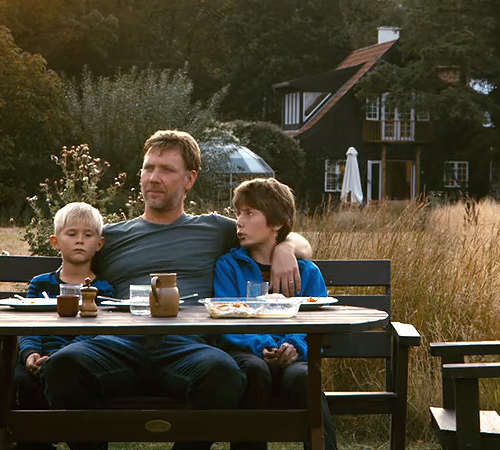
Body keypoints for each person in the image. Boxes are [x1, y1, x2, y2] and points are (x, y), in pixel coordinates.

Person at [39, 130, 313, 450]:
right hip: (118, 343)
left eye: (166, 170)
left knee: (223, 372)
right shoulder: (109, 237)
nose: (154, 178)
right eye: (148, 168)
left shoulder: (214, 229)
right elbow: (63, 265)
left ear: (189, 179)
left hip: (186, 347)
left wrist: (284, 248)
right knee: (63, 365)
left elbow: (286, 235)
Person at [213, 178, 337, 450]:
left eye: (249, 213)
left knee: (305, 378)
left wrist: (294, 345)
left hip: (295, 358)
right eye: (238, 214)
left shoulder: (307, 272)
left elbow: (316, 321)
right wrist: (264, 345)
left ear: (277, 223)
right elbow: (226, 318)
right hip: (248, 354)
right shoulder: (229, 266)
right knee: (254, 371)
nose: (239, 222)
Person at [11, 202, 115, 437]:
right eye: (72, 234)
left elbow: (96, 331)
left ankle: (87, 440)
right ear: (55, 241)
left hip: (77, 359)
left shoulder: (103, 289)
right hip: (36, 357)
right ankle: (34, 442)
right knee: (21, 381)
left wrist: (59, 355)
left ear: (99, 244)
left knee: (75, 380)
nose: (80, 240)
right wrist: (30, 354)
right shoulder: (41, 284)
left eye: (88, 235)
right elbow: (29, 324)